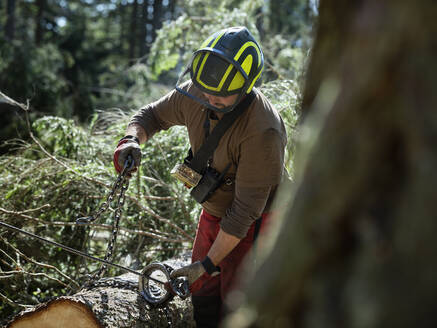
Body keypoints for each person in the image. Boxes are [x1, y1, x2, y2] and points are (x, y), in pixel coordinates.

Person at [113, 26, 287, 327]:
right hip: (215, 208)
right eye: (206, 92)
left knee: (237, 297)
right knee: (202, 288)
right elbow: (150, 116)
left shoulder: (263, 130)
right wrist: (131, 140)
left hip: (258, 220)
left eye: (220, 97)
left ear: (245, 88)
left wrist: (207, 263)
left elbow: (244, 213)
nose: (209, 99)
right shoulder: (198, 91)